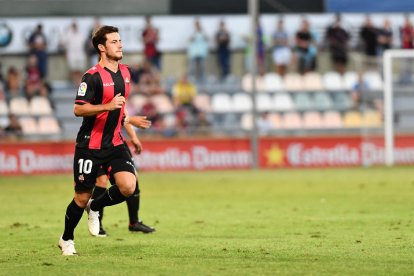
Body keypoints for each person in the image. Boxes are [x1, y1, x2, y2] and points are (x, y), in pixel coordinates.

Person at [58, 25, 138, 256]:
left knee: (128, 186)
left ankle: (97, 205)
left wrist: (131, 131)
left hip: (114, 143)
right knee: (81, 197)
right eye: (114, 41)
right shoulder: (91, 76)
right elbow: (77, 110)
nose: (120, 44)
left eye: (120, 40)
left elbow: (120, 112)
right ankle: (67, 239)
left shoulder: (125, 72)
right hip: (89, 145)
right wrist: (106, 106)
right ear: (101, 48)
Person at [92, 115, 155, 236]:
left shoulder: (120, 97)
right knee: (101, 180)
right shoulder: (98, 98)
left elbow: (122, 114)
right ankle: (97, 224)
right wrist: (131, 121)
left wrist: (133, 137)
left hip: (117, 143)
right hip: (98, 143)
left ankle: (134, 222)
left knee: (133, 177)